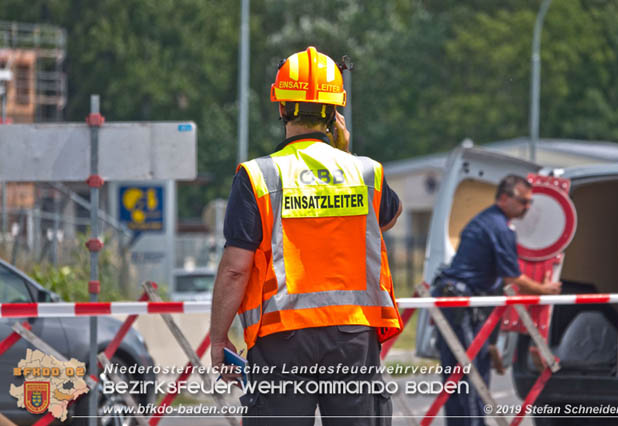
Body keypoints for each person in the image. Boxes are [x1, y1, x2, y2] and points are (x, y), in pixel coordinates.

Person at [209, 46, 403, 426]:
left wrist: (218, 339)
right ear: (334, 112)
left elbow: (235, 270)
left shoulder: (258, 177)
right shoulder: (365, 173)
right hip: (353, 335)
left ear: (281, 106)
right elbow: (388, 218)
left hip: (282, 337)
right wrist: (347, 154)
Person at [432, 174, 562, 426]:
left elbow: (493, 287)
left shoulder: (490, 222)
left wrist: (491, 342)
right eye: (523, 201)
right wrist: (544, 289)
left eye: (530, 202)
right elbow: (512, 277)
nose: (527, 207)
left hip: (461, 302)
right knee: (469, 377)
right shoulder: (499, 227)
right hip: (462, 303)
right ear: (504, 198)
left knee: (458, 375)